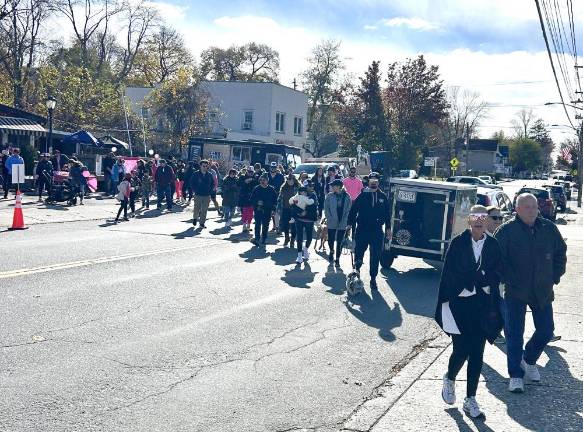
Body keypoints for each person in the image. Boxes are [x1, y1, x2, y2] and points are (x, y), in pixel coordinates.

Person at [494, 193, 567, 393]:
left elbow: (561, 252)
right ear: (517, 209)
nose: (532, 210)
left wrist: (554, 276)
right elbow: (496, 259)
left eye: (534, 207)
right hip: (516, 291)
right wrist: (508, 278)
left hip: (542, 290)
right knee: (514, 334)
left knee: (546, 330)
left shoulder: (549, 229)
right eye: (526, 207)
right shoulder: (506, 231)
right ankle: (516, 376)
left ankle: (529, 359)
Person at [436, 205, 503, 419]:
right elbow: (449, 274)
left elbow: (496, 273)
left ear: (487, 221)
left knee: (477, 352)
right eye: (475, 216)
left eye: (484, 216)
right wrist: (471, 280)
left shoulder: (493, 245)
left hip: (482, 305)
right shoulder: (458, 243)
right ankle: (450, 377)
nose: (479, 220)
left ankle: (471, 399)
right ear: (469, 220)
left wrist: (483, 279)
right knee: (461, 349)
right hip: (460, 304)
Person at [346, 173, 391, 290]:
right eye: (372, 180)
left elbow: (387, 214)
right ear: (369, 182)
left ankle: (373, 279)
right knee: (359, 253)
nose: (374, 182)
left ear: (378, 182)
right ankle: (356, 274)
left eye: (376, 180)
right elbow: (353, 210)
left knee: (375, 255)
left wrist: (388, 228)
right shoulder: (362, 195)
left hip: (376, 231)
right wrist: (349, 224)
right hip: (362, 229)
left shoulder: (383, 197)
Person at [324, 179, 352, 267]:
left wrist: (347, 220)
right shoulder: (329, 196)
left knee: (339, 241)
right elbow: (326, 208)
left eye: (333, 186)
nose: (331, 187)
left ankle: (337, 259)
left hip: (342, 221)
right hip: (332, 221)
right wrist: (329, 217)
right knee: (331, 239)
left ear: (339, 187)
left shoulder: (347, 196)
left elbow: (349, 209)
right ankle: (331, 251)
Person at [290, 182, 318, 263]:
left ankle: (305, 249)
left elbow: (313, 207)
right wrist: (300, 211)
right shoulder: (298, 195)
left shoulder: (313, 195)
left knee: (309, 238)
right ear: (306, 187)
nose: (311, 187)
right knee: (299, 237)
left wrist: (305, 211)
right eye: (309, 186)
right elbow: (293, 205)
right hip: (299, 219)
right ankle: (299, 256)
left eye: (312, 185)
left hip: (309, 219)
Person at [250, 174, 278, 245]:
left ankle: (264, 239)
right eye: (261, 180)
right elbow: (251, 199)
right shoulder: (256, 188)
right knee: (258, 224)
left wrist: (273, 209)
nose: (262, 181)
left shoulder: (271, 189)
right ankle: (257, 238)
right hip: (258, 209)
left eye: (264, 180)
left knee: (265, 225)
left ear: (267, 181)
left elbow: (275, 200)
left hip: (268, 209)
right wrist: (257, 202)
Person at [191, 159, 214, 228]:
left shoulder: (209, 175)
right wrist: (195, 190)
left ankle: (202, 223)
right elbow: (192, 183)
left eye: (206, 166)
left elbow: (212, 184)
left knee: (204, 210)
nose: (205, 167)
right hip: (198, 194)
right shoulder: (196, 174)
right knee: (196, 208)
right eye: (203, 166)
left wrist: (210, 191)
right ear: (200, 166)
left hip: (207, 195)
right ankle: (195, 218)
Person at [278, 174, 300, 246]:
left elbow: (302, 198)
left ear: (294, 180)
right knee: (285, 225)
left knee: (294, 226)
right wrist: (278, 208)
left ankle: (293, 239)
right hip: (285, 209)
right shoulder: (283, 188)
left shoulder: (298, 188)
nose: (289, 181)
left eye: (291, 179)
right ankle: (287, 237)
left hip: (294, 210)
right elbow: (279, 199)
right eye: (288, 179)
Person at [238, 167, 257, 233]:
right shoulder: (242, 177)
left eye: (252, 172)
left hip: (252, 199)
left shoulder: (255, 178)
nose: (250, 173)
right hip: (244, 198)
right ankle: (244, 226)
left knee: (251, 213)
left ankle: (248, 225)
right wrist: (245, 182)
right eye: (249, 172)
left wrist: (253, 180)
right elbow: (239, 185)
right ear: (247, 171)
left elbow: (257, 186)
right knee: (244, 213)